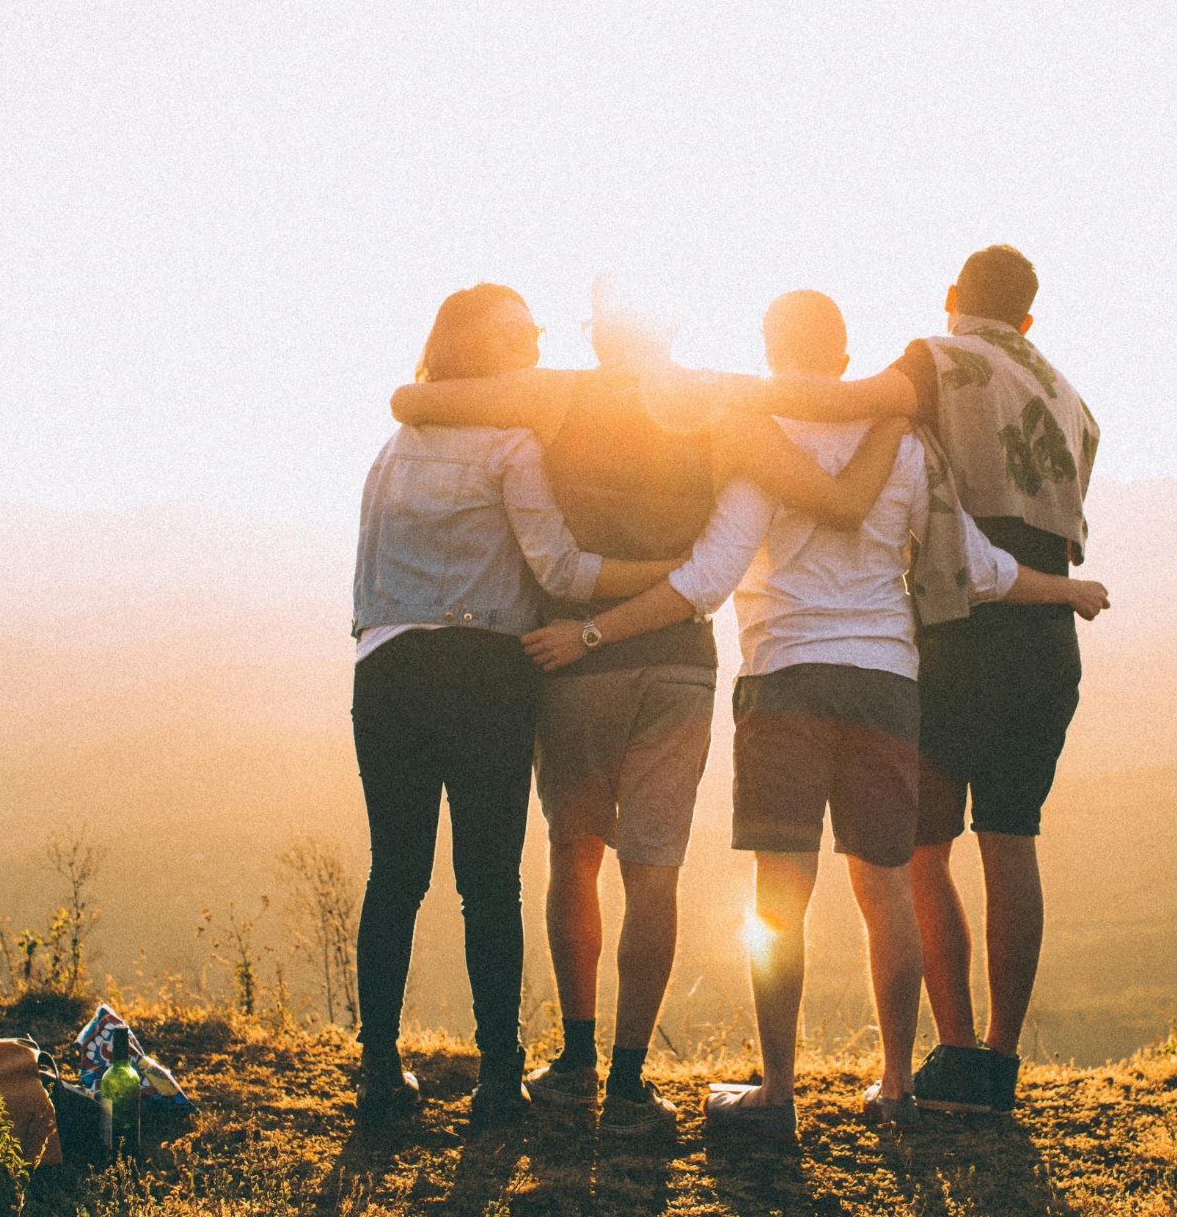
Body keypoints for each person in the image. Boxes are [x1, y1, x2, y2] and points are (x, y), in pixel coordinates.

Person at [521, 290, 1107, 1139]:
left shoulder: (760, 442)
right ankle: (898, 1087)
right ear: (843, 358)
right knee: (886, 890)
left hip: (784, 680)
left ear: (769, 349)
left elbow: (707, 580)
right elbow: (977, 567)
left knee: (779, 899)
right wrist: (1068, 590)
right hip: (886, 686)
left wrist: (593, 630)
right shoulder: (905, 445)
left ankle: (779, 1092)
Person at [388, 274, 909, 1137]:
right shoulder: (720, 404)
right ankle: (630, 1083)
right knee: (653, 870)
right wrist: (893, 409)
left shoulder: (554, 396)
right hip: (677, 662)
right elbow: (834, 494)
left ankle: (577, 1058)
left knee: (574, 855)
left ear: (597, 335)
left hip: (572, 658)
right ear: (672, 324)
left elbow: (417, 400)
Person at [727, 247, 1106, 1115]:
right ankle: (996, 1067)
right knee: (1012, 840)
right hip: (1044, 630)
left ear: (951, 300)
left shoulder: (937, 361)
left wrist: (720, 393)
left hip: (959, 626)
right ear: (1030, 318)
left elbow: (848, 403)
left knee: (918, 854)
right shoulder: (1072, 398)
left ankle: (952, 1053)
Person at [350, 283, 683, 1129]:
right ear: (480, 350)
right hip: (485, 673)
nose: (535, 343)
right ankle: (500, 1078)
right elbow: (563, 573)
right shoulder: (510, 444)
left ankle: (379, 1073)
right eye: (520, 333)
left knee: (395, 874)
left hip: (385, 669)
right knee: (488, 882)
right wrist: (671, 576)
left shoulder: (393, 448)